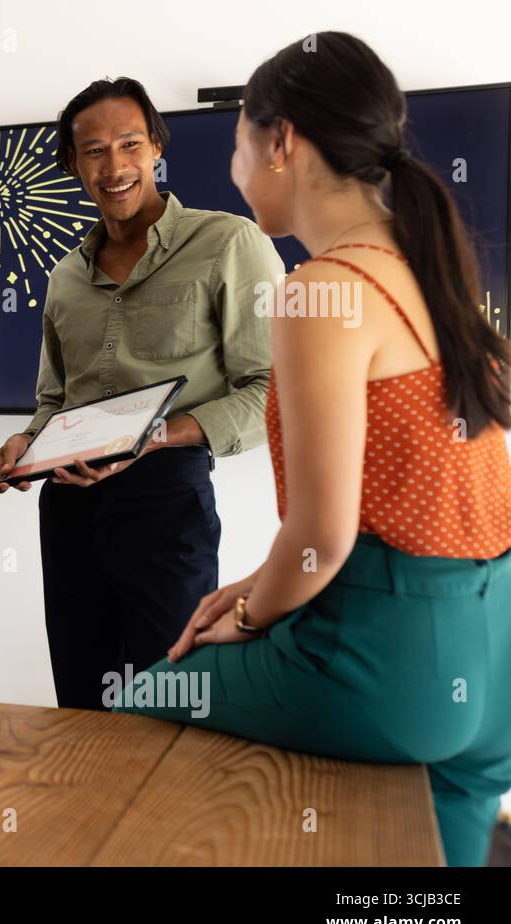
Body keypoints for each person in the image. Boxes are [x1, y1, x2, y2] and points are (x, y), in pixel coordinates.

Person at [114, 32, 511, 867]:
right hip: (493, 648)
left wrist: (252, 617)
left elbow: (325, 536)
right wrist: (254, 583)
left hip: (391, 655)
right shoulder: (434, 271)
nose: (231, 171)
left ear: (281, 141)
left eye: (233, 145)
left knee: (136, 702)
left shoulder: (321, 289)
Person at [0, 78, 283, 709]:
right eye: (93, 150)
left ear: (156, 146)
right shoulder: (65, 275)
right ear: (72, 164)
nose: (114, 165)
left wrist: (161, 435)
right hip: (68, 509)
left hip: (165, 501)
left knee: (170, 703)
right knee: (82, 705)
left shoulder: (229, 243)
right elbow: (53, 401)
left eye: (129, 143)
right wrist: (26, 440)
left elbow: (270, 391)